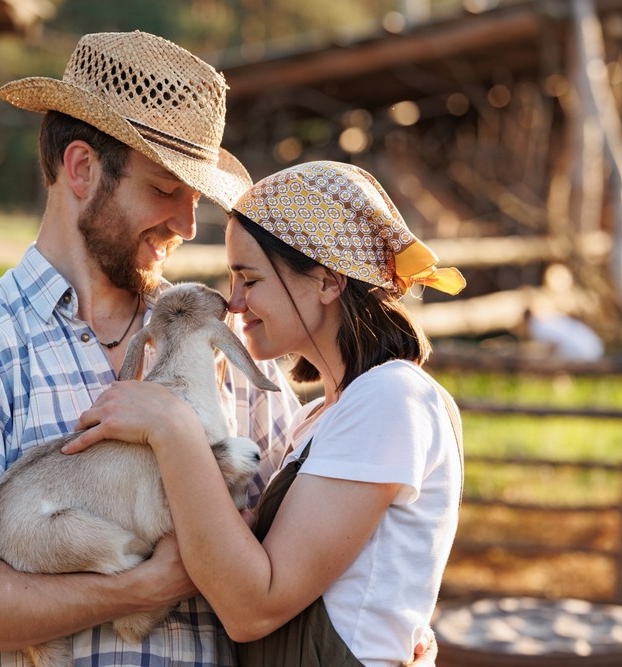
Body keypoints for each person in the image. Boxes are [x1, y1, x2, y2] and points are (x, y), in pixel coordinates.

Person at [0, 31, 303, 666]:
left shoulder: (232, 343)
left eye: (196, 199)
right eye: (166, 189)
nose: (188, 226)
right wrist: (142, 588)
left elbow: (293, 546)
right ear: (82, 169)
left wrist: (382, 628)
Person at [66, 160, 467, 666]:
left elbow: (254, 607)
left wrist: (172, 428)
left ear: (326, 282)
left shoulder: (390, 398)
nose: (233, 304)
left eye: (249, 280)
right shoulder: (318, 417)